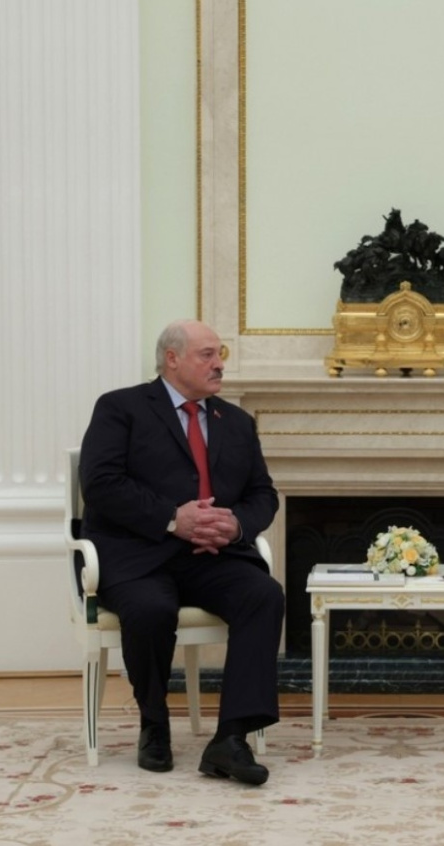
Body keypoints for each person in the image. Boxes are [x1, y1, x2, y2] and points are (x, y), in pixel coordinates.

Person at [79, 319, 283, 785]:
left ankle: (231, 738)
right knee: (151, 609)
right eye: (207, 355)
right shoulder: (120, 408)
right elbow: (101, 484)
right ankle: (154, 722)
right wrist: (173, 518)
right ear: (172, 359)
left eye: (220, 354)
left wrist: (235, 525)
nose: (219, 364)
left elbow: (263, 494)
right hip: (139, 555)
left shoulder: (236, 422)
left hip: (214, 556)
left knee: (264, 595)